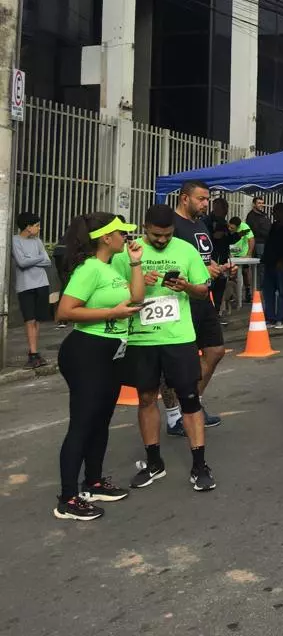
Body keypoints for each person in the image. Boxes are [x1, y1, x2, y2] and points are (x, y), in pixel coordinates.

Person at [115, 204, 217, 493]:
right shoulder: (129, 252)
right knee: (146, 398)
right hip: (142, 339)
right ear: (144, 227)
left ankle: (200, 465)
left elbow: (203, 289)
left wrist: (185, 286)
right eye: (156, 235)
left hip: (179, 338)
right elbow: (114, 289)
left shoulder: (185, 250)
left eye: (167, 235)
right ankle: (154, 462)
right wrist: (136, 283)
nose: (162, 240)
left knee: (189, 399)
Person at [53, 213, 143, 520]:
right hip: (86, 352)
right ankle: (67, 499)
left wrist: (135, 263)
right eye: (121, 233)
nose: (126, 238)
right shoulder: (89, 268)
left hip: (111, 352)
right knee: (82, 423)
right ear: (106, 238)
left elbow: (135, 299)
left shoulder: (109, 268)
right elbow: (64, 312)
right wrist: (111, 313)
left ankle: (92, 481)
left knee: (101, 420)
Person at [169, 181, 227, 433]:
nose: (206, 204)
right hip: (181, 300)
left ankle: (192, 404)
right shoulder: (171, 224)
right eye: (201, 199)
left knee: (215, 351)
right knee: (179, 361)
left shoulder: (200, 224)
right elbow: (165, 262)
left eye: (207, 199)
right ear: (184, 198)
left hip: (204, 298)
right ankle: (174, 415)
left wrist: (217, 267)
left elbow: (203, 257)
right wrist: (201, 270)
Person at [13, 211, 53, 368]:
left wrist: (30, 260)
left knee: (37, 320)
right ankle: (33, 354)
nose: (39, 228)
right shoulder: (15, 241)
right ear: (28, 227)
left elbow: (48, 261)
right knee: (29, 320)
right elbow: (21, 263)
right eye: (36, 225)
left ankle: (35, 352)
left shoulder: (37, 242)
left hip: (42, 284)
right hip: (26, 286)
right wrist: (37, 258)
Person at [206, 198, 234, 318]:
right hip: (210, 261)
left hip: (222, 259)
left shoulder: (223, 222)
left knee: (220, 288)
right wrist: (214, 236)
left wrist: (236, 235)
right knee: (209, 289)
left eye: (226, 209)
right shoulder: (207, 221)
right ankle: (209, 315)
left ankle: (216, 313)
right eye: (224, 209)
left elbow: (227, 240)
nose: (226, 212)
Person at [226, 215, 254, 308]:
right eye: (229, 226)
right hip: (233, 251)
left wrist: (249, 254)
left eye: (232, 228)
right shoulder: (229, 228)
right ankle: (233, 294)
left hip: (243, 253)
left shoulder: (245, 228)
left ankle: (248, 292)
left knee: (245, 272)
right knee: (232, 273)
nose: (230, 229)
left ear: (238, 227)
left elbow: (251, 240)